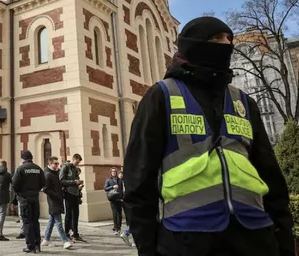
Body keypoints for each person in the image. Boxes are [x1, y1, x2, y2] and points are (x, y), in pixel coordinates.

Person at [123, 16, 295, 256]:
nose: (226, 43)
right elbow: (138, 182)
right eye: (216, 38)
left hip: (255, 236)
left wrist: (284, 242)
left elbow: (271, 177)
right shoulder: (161, 96)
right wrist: (149, 248)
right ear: (193, 45)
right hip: (187, 239)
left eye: (229, 38)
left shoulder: (244, 102)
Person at [12, 150, 46, 253]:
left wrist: (19, 193)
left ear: (23, 159)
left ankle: (30, 246)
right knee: (35, 221)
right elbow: (43, 182)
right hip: (35, 198)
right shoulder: (38, 168)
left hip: (24, 198)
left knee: (27, 222)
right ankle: (37, 245)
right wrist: (35, 190)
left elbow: (15, 184)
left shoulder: (20, 169)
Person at [42, 156, 73, 250]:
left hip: (58, 200)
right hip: (53, 201)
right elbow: (45, 189)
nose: (57, 165)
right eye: (55, 163)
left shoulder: (55, 173)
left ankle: (46, 240)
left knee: (51, 221)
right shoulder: (47, 174)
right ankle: (65, 241)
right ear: (50, 164)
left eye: (58, 163)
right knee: (59, 222)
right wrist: (55, 195)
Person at [59, 153, 84, 242]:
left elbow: (76, 179)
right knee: (69, 214)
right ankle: (66, 233)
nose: (77, 164)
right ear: (73, 159)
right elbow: (61, 180)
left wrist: (79, 184)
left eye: (78, 163)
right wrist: (74, 182)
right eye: (77, 162)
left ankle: (75, 234)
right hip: (68, 193)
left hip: (75, 193)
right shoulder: (66, 167)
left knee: (76, 214)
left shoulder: (75, 169)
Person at [105, 168, 123, 235]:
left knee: (120, 214)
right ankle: (116, 228)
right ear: (110, 172)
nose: (114, 172)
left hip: (119, 199)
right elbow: (105, 188)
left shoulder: (119, 180)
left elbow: (121, 189)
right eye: (112, 171)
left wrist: (122, 198)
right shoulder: (108, 180)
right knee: (115, 214)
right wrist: (112, 187)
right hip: (112, 199)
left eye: (115, 171)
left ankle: (119, 228)